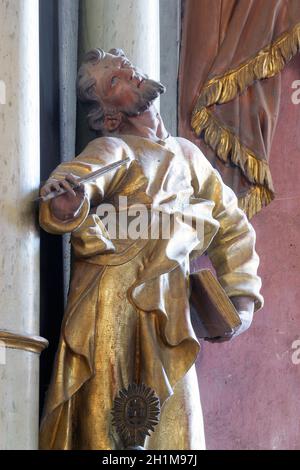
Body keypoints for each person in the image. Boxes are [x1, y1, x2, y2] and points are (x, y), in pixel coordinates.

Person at [39, 48, 263, 450]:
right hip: (115, 298)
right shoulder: (115, 148)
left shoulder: (188, 154)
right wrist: (66, 201)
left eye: (128, 68)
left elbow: (232, 223)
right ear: (110, 116)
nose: (129, 73)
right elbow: (78, 180)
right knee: (108, 425)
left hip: (170, 303)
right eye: (115, 81)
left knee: (177, 432)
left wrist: (242, 295)